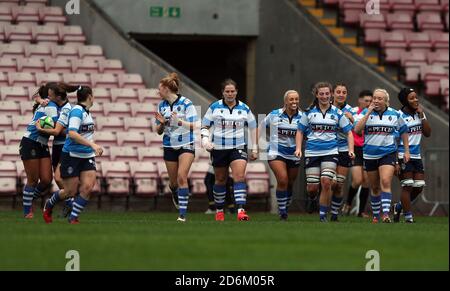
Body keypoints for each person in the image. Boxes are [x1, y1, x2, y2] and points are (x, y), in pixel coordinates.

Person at [43, 86, 103, 224]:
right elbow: (72, 133)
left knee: (88, 187)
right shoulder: (77, 111)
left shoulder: (87, 112)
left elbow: (84, 133)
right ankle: (49, 205)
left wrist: (91, 146)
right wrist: (92, 145)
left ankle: (73, 218)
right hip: (72, 155)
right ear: (89, 97)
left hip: (87, 156)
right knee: (69, 192)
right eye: (93, 95)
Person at [295, 82, 354, 222]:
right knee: (312, 188)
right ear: (316, 95)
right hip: (312, 152)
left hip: (331, 151)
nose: (324, 96)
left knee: (326, 182)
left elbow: (349, 133)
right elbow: (299, 131)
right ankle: (313, 197)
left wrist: (351, 150)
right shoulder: (309, 112)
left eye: (327, 93)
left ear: (331, 94)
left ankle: (323, 216)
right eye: (321, 94)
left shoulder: (338, 113)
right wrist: (298, 148)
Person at [201, 79, 258, 221]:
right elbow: (204, 126)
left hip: (238, 146)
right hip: (219, 148)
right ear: (223, 93)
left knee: (239, 177)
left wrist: (255, 147)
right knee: (220, 180)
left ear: (237, 92)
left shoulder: (244, 108)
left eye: (232, 91)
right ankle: (219, 211)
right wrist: (205, 140)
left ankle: (241, 211)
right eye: (227, 91)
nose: (230, 94)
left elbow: (253, 127)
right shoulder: (214, 107)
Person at [354, 88, 410, 223]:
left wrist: (406, 150)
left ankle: (385, 215)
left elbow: (404, 131)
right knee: (374, 187)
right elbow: (357, 130)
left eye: (380, 98)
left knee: (385, 181)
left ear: (386, 101)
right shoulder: (366, 114)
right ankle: (375, 216)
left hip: (387, 153)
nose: (376, 101)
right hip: (370, 155)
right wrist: (367, 113)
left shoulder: (395, 114)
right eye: (375, 98)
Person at [155, 73, 199, 222]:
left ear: (167, 89)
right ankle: (174, 191)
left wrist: (179, 121)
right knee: (174, 182)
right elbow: (158, 131)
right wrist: (162, 123)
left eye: (159, 89)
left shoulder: (187, 103)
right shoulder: (162, 105)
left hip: (186, 143)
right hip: (169, 145)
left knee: (182, 176)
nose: (157, 92)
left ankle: (182, 215)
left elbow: (195, 126)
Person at [19, 83, 64, 218]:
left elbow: (36, 97)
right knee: (32, 179)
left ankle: (29, 200)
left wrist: (38, 100)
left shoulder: (47, 104)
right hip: (30, 142)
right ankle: (28, 211)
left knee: (46, 179)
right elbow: (57, 129)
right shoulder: (50, 106)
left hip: (42, 144)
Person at [36, 83, 78, 219]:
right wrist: (40, 101)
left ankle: (70, 204)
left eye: (50, 95)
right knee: (59, 178)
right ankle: (69, 202)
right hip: (57, 146)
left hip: (66, 146)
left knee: (60, 177)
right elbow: (38, 98)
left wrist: (52, 129)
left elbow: (70, 131)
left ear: (58, 96)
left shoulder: (69, 109)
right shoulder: (55, 106)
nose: (48, 97)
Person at [260, 90, 302, 220]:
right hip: (275, 151)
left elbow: (307, 134)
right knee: (282, 180)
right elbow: (260, 126)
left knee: (289, 183)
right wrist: (256, 147)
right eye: (291, 99)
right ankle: (282, 212)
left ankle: (284, 206)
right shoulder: (275, 114)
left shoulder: (303, 117)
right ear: (285, 101)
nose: (294, 102)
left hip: (294, 153)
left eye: (296, 99)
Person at [393, 88, 431, 223]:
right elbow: (394, 140)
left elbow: (427, 133)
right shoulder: (398, 116)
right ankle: (408, 217)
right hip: (403, 155)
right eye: (412, 98)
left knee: (419, 187)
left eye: (416, 97)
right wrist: (395, 161)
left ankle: (398, 207)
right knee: (408, 185)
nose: (416, 100)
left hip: (417, 156)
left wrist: (422, 115)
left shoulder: (420, 113)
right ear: (405, 101)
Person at [342, 90, 373, 218]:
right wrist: (351, 118)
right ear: (359, 100)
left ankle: (361, 211)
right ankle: (348, 204)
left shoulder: (371, 113)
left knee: (366, 181)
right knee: (357, 180)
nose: (368, 103)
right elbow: (355, 130)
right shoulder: (352, 111)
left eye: (370, 101)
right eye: (366, 101)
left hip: (367, 148)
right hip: (355, 148)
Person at [330, 83, 355, 221]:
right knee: (329, 181)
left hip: (344, 149)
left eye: (344, 92)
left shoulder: (350, 110)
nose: (341, 94)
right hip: (328, 148)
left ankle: (334, 213)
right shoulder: (326, 108)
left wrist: (351, 119)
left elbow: (357, 130)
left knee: (339, 184)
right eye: (338, 92)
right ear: (333, 93)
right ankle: (316, 200)